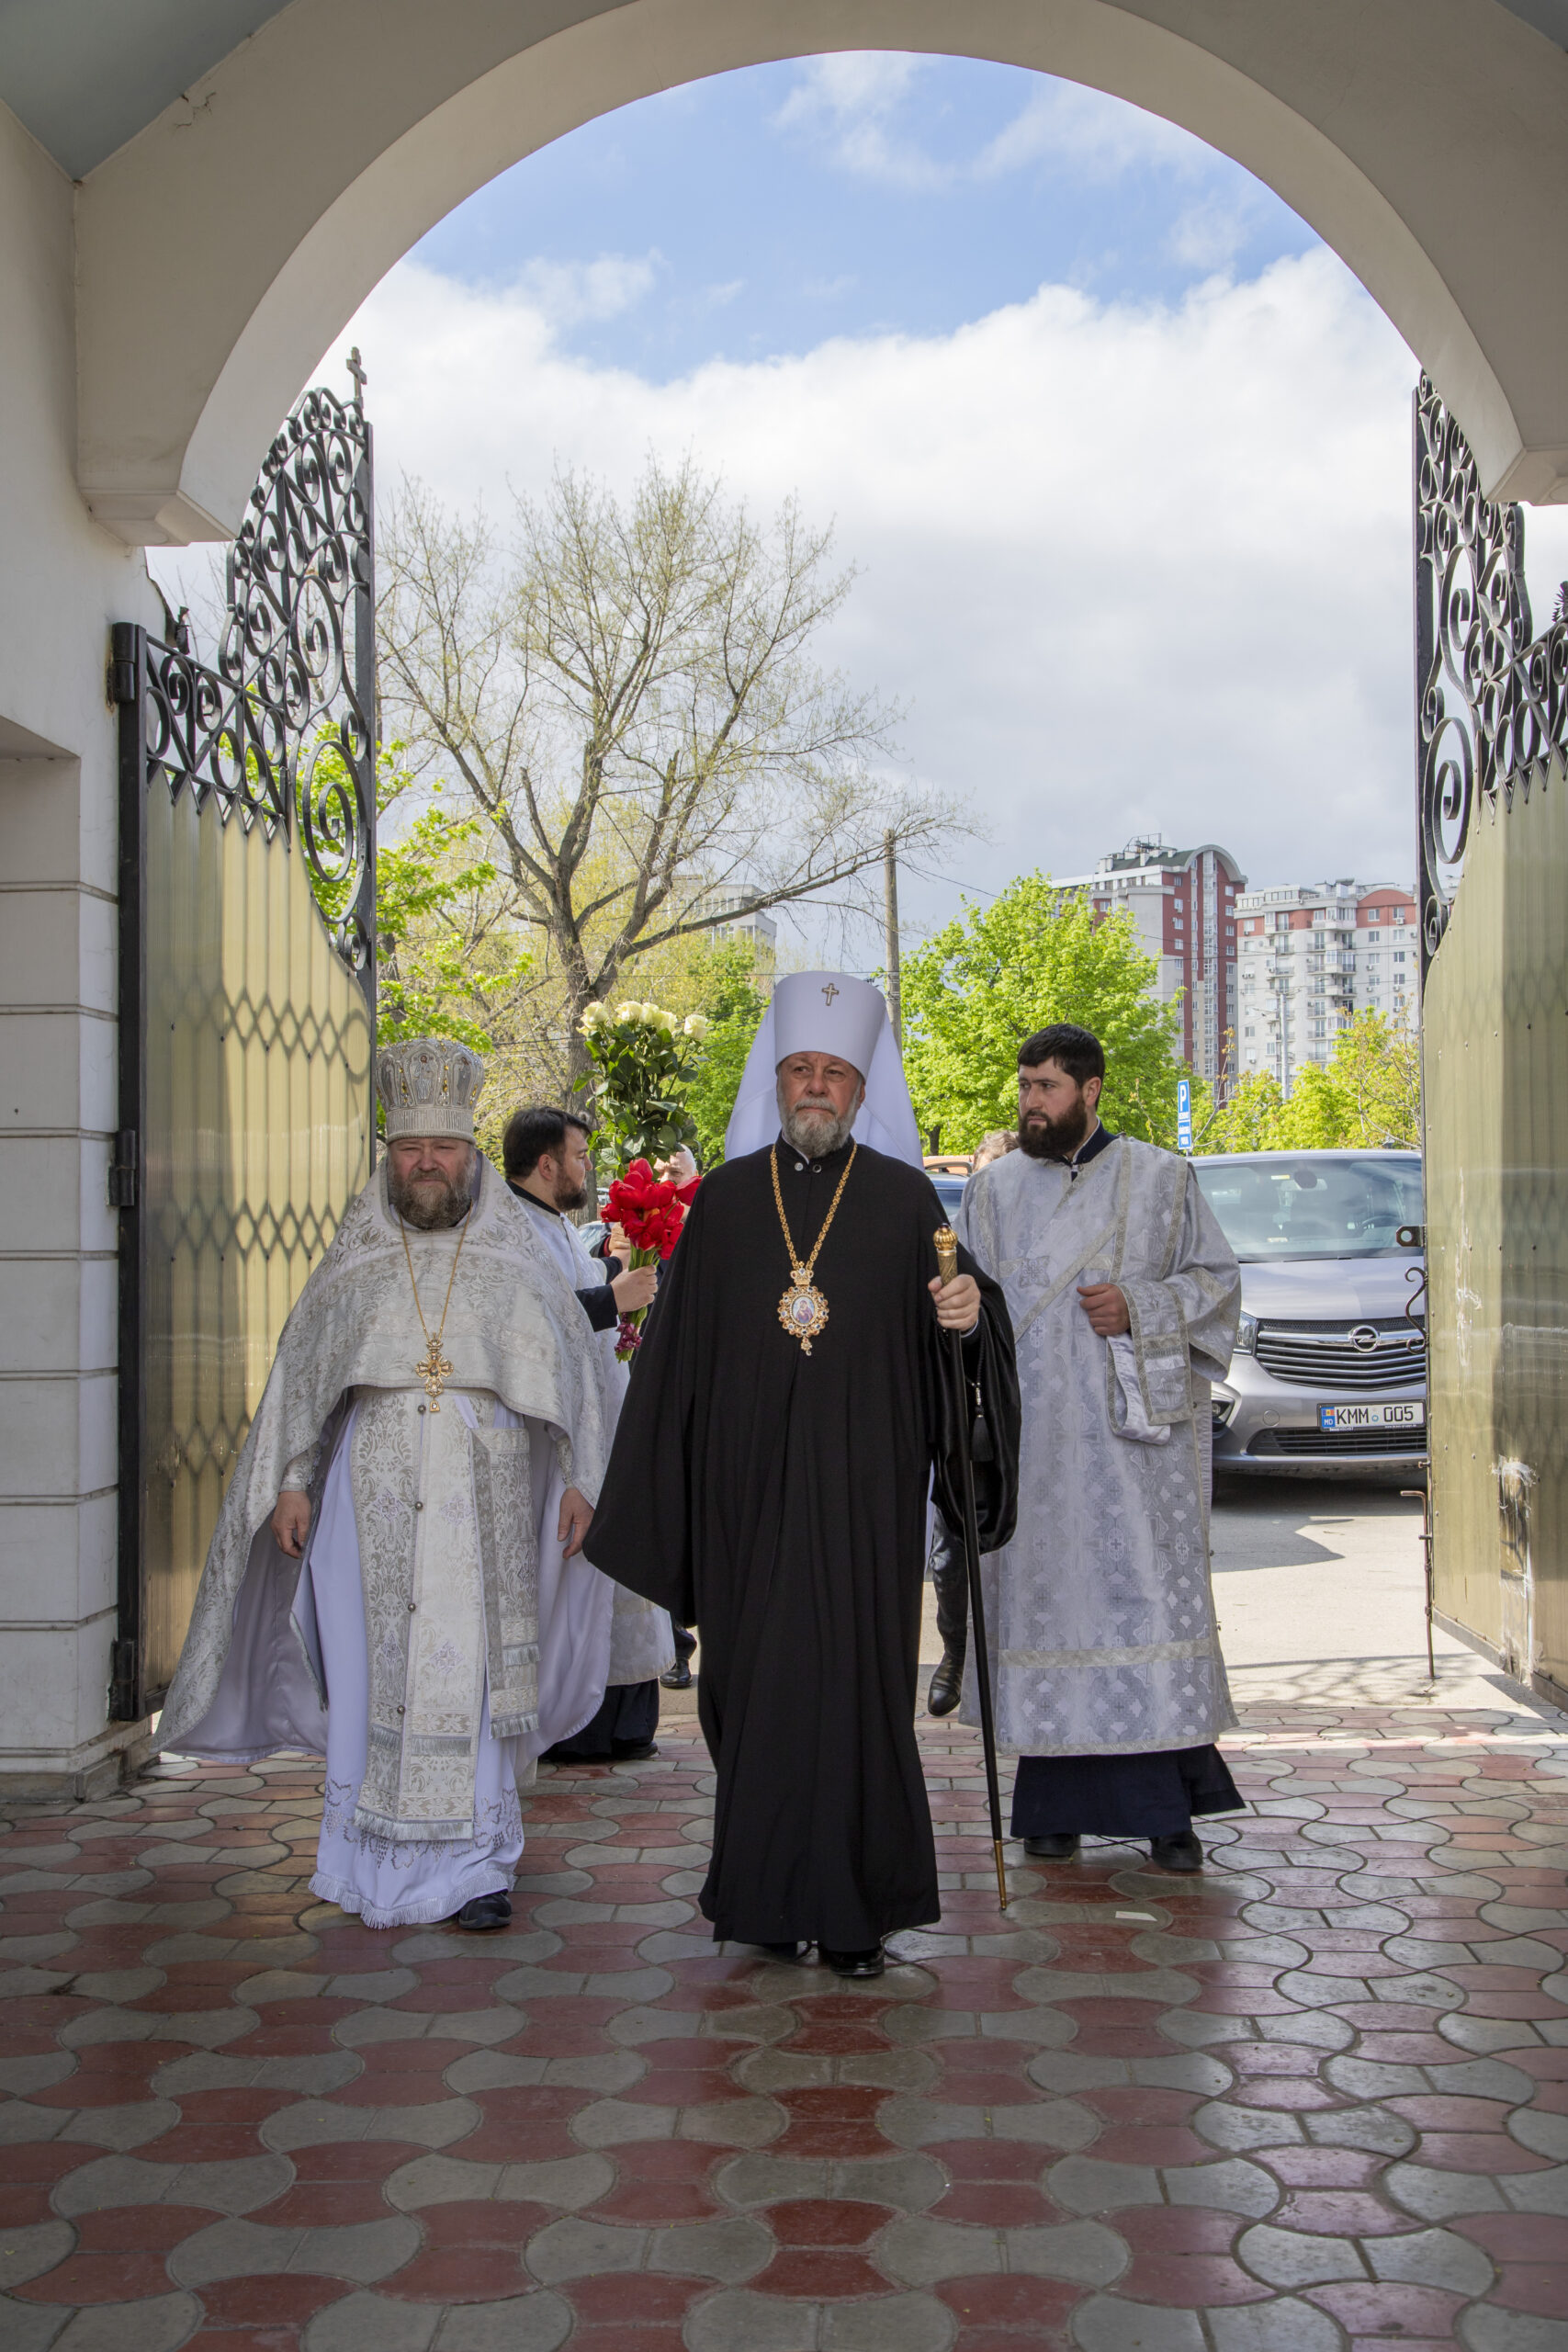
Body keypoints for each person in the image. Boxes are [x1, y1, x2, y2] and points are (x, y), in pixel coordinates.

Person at [585, 972, 1020, 1978]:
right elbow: (674, 1363)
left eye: (834, 1073)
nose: (816, 1087)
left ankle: (858, 1914)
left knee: (860, 1694)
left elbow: (964, 1317)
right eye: (800, 1070)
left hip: (866, 1496)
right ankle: (766, 1903)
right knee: (754, 1692)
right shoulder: (726, 1201)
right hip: (744, 1500)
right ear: (776, 1082)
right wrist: (667, 1501)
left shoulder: (906, 1199)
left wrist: (966, 1318)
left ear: (860, 1089)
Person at [152, 1039, 621, 1931]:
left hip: (485, 1501)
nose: (427, 1163)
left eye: (443, 1147)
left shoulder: (515, 1259)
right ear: (390, 1157)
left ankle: (478, 1867)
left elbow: (573, 1376)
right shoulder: (355, 1260)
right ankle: (362, 1859)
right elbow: (302, 1380)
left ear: (471, 1156)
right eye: (411, 1148)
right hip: (365, 1497)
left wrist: (578, 1477)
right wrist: (292, 1481)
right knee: (372, 1672)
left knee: (471, 1678)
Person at [955, 1022, 1244, 1873]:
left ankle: (1166, 1815)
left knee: (1140, 1603)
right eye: (1024, 1086)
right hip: (1034, 1446)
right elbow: (964, 1306)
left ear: (1090, 1090)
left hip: (1135, 1451)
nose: (1030, 1103)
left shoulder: (1162, 1177)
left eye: (1046, 1087)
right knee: (1047, 1607)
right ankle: (1051, 1809)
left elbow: (1217, 1283)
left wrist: (1141, 1305)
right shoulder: (992, 1190)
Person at [502, 1104, 675, 1761]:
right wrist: (611, 1300)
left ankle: (619, 1720)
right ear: (547, 1164)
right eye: (579, 1157)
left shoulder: (553, 1225)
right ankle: (571, 1724)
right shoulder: (509, 1232)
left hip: (600, 1429)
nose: (586, 1168)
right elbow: (518, 1325)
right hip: (553, 1447)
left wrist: (616, 1287)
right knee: (568, 1576)